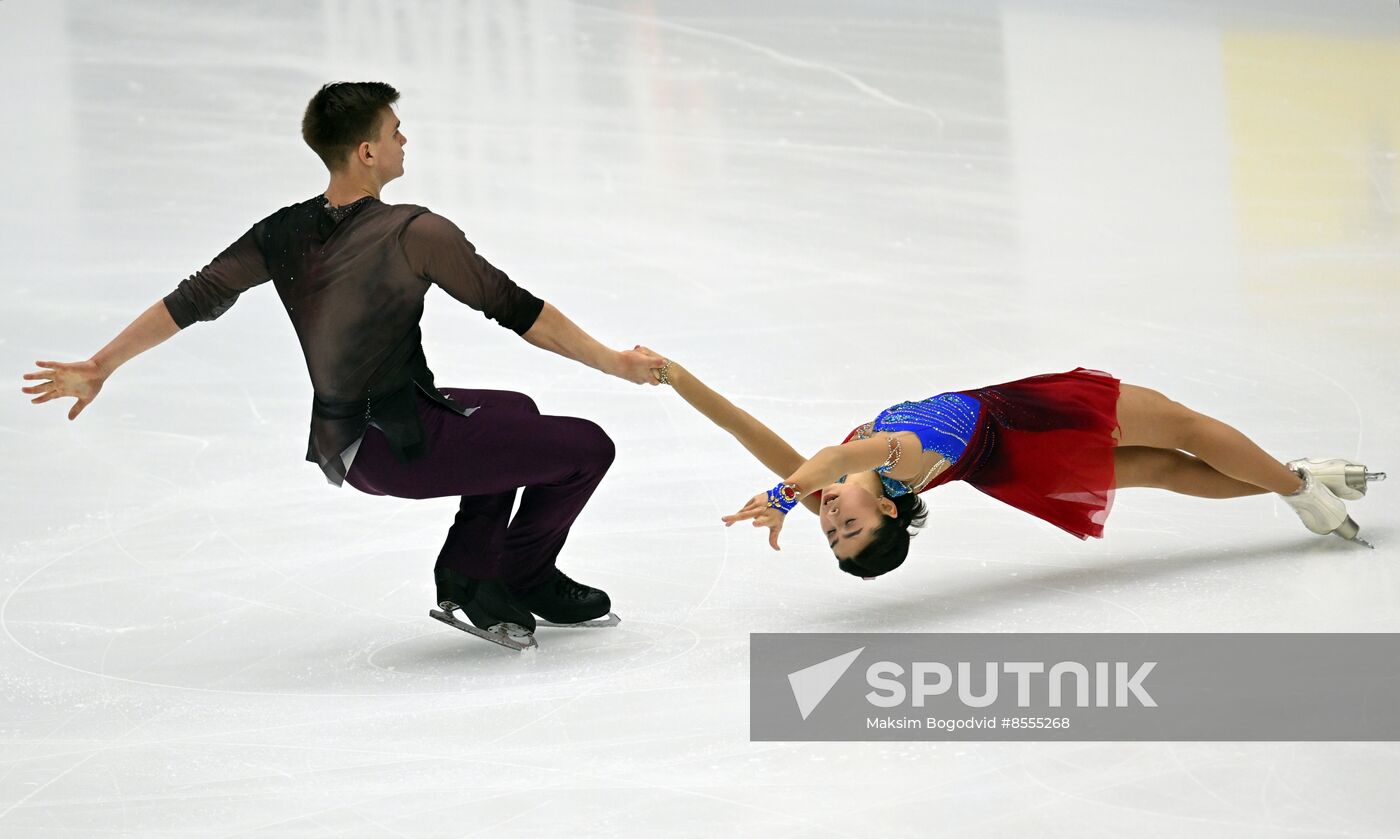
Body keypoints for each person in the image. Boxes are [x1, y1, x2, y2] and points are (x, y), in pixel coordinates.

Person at [21, 82, 664, 644]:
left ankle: (470, 568)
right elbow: (517, 309)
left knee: (512, 412)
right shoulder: (416, 232)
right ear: (366, 152)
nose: (404, 140)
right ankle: (521, 575)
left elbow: (193, 299)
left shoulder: (282, 230)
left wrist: (102, 363)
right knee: (589, 447)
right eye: (394, 131)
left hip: (345, 442)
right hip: (402, 448)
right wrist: (612, 362)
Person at [640, 352, 1382, 577]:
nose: (832, 519)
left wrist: (678, 378)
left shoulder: (825, 485)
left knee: (1164, 467)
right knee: (1181, 431)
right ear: (890, 509)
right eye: (851, 529)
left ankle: (1298, 488)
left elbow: (749, 429)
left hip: (1008, 462)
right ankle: (1299, 485)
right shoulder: (893, 456)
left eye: (831, 532)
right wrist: (781, 489)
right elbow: (830, 456)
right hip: (1025, 419)